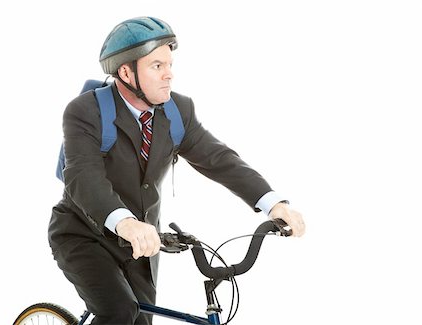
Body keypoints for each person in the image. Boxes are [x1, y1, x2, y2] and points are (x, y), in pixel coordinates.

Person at [48, 16, 305, 325]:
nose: (169, 74)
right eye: (157, 66)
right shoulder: (85, 111)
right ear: (126, 72)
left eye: (169, 64)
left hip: (141, 245)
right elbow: (83, 176)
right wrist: (125, 222)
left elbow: (218, 158)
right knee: (120, 312)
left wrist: (273, 203)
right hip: (83, 236)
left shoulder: (177, 112)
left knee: (142, 319)